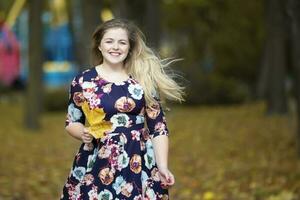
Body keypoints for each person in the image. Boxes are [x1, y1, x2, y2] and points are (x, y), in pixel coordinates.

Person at [60, 18, 185, 200]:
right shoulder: (83, 81)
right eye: (109, 41)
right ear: (99, 46)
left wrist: (163, 166)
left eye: (122, 42)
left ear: (129, 47)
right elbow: (72, 122)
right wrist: (82, 132)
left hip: (139, 163)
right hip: (98, 163)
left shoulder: (144, 79)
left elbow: (158, 128)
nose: (115, 47)